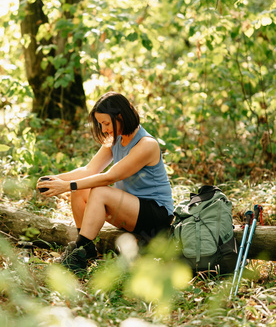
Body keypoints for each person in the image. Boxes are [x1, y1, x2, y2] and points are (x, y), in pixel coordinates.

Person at [36, 91, 174, 273]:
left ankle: (76, 256)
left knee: (98, 191)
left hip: (156, 216)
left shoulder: (147, 145)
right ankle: (85, 249)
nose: (103, 129)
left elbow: (110, 177)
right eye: (100, 124)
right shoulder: (115, 140)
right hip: (130, 209)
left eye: (106, 123)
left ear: (120, 117)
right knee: (80, 188)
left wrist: (66, 186)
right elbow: (89, 170)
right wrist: (57, 179)